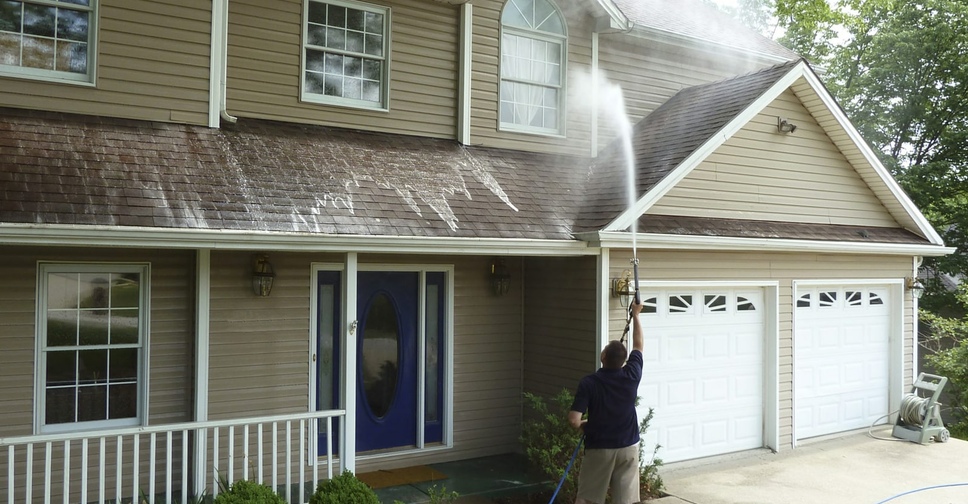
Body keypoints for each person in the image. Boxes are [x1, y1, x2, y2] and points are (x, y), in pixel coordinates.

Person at [568, 299, 644, 504]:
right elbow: (638, 345)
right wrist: (636, 315)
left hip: (600, 448)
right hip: (629, 446)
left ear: (603, 357)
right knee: (626, 500)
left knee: (588, 499)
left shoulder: (589, 383)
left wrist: (585, 426)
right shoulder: (632, 375)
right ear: (623, 361)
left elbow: (574, 420)